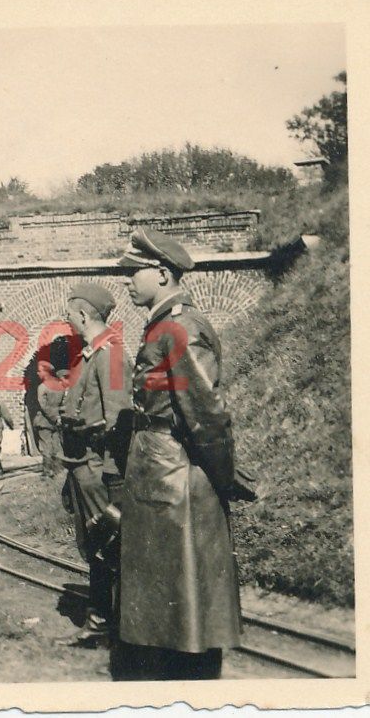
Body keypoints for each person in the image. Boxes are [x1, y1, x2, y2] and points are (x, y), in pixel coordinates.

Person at [113, 226, 242, 680]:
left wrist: (225, 477)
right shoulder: (163, 326)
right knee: (164, 599)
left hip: (176, 474)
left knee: (183, 602)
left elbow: (204, 413)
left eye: (133, 272)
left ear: (163, 274)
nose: (126, 280)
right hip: (158, 469)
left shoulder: (182, 328)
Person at [54, 283, 132, 648]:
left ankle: (114, 628)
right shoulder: (91, 355)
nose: (66, 319)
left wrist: (106, 472)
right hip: (82, 465)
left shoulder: (111, 356)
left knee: (108, 551)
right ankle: (102, 624)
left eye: (70, 313)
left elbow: (119, 419)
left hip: (98, 468)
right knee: (97, 551)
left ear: (83, 315)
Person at [34, 362, 66, 481]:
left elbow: (44, 407)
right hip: (56, 421)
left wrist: (53, 417)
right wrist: (58, 418)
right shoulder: (60, 386)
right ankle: (59, 469)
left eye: (40, 371)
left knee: (46, 446)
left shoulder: (42, 387)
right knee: (56, 446)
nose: (38, 373)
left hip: (44, 421)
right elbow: (63, 404)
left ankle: (48, 472)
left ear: (46, 372)